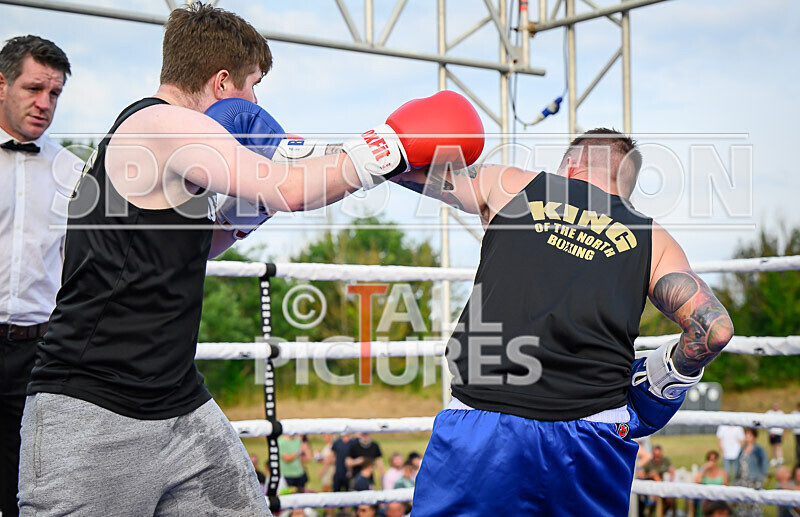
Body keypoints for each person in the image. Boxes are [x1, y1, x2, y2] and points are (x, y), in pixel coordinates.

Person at [17, 4, 483, 516]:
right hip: (93, 408)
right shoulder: (163, 125)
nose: (256, 101)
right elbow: (291, 186)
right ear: (222, 82)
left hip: (177, 401)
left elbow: (194, 247)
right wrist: (390, 145)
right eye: (253, 84)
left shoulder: (161, 146)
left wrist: (243, 215)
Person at [399, 128, 735, 515]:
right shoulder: (654, 239)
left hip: (484, 426)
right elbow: (714, 330)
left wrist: (369, 153)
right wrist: (665, 377)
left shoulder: (511, 184)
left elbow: (409, 171)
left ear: (570, 166)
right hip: (593, 436)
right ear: (626, 187)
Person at [0, 34, 81, 517]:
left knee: (28, 489)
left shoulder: (73, 171)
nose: (44, 103)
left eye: (54, 93)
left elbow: (81, 271)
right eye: (34, 89)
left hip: (38, 354)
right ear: (2, 85)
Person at [734, 428, 769, 517]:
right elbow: (738, 464)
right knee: (743, 503)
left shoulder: (759, 450)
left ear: (754, 436)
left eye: (749, 435)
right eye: (746, 434)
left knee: (755, 504)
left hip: (754, 480)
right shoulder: (742, 449)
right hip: (742, 480)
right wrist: (736, 478)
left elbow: (764, 465)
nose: (747, 437)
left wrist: (762, 478)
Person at [693, 450, 728, 517]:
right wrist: (703, 468)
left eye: (714, 460)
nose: (712, 462)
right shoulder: (704, 472)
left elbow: (726, 486)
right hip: (707, 499)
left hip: (718, 498)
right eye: (710, 460)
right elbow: (696, 481)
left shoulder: (722, 472)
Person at [767, 402, 786, 466]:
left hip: (778, 432)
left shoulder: (781, 413)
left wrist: (783, 432)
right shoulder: (769, 413)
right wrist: (770, 432)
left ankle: (780, 458)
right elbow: (767, 422)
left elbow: (784, 423)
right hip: (772, 433)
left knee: (778, 445)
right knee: (773, 446)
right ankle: (774, 459)